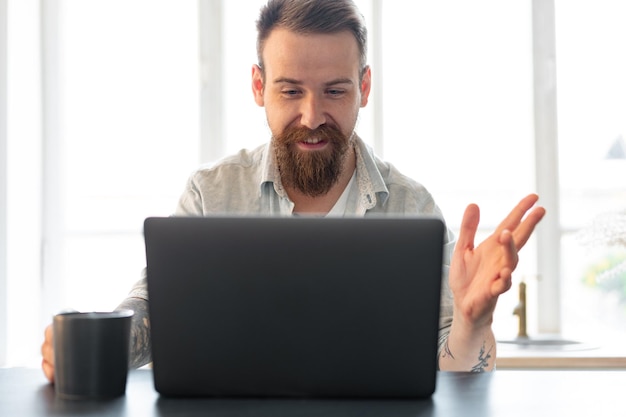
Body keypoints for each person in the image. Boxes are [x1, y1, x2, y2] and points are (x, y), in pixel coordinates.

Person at [41, 0, 545, 382]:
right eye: (290, 90)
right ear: (259, 87)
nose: (311, 116)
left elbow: (456, 371)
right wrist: (92, 346)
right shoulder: (211, 194)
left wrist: (473, 322)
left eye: (335, 90)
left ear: (364, 88)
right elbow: (154, 311)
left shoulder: (413, 207)